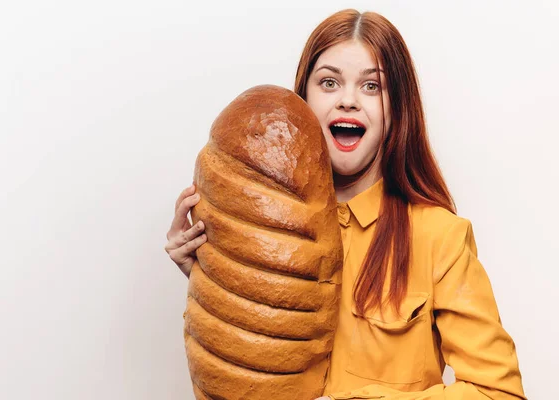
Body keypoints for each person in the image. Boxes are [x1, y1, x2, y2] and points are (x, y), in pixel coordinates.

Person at [164, 8, 526, 400]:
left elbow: (499, 393)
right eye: (329, 82)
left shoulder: (440, 239)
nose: (348, 101)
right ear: (303, 99)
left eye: (372, 86)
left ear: (398, 109)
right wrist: (215, 280)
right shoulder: (256, 230)